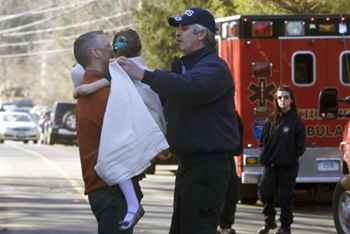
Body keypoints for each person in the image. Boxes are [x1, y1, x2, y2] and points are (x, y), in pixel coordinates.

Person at [118, 7, 242, 234]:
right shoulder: (186, 67)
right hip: (190, 164)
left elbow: (189, 89)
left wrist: (144, 74)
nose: (177, 33)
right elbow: (170, 104)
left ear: (201, 34)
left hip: (209, 166)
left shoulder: (214, 68)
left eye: (183, 28)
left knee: (197, 228)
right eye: (177, 28)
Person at [72, 29, 168, 231]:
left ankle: (133, 203)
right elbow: (129, 137)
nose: (112, 49)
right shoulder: (106, 95)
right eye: (107, 45)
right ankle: (133, 204)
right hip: (111, 189)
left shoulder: (90, 88)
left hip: (102, 186)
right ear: (96, 53)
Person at [258, 85, 305, 234]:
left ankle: (285, 227)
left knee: (285, 197)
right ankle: (269, 222)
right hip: (270, 166)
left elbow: (301, 146)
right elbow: (263, 141)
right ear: (276, 100)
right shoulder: (270, 120)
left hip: (288, 167)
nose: (282, 100)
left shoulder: (296, 121)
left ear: (291, 100)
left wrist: (289, 157)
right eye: (279, 98)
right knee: (265, 193)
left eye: (286, 97)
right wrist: (264, 156)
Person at [217, 111, 243, 234]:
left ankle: (226, 226)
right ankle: (214, 225)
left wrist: (235, 149)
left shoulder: (232, 114)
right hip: (210, 159)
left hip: (227, 158)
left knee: (231, 194)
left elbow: (239, 133)